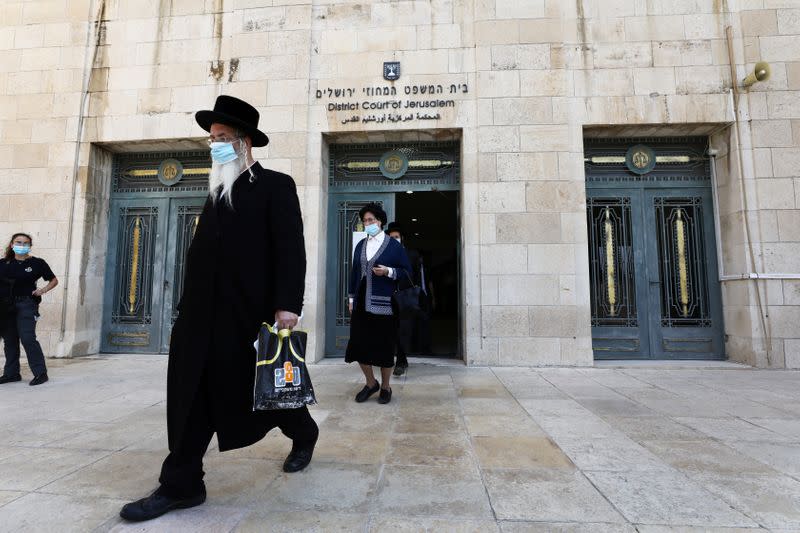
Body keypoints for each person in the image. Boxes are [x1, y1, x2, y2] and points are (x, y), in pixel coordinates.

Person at [120, 95, 319, 522]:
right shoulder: (216, 190)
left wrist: (287, 305)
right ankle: (182, 483)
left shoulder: (275, 186)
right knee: (191, 394)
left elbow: (291, 250)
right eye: (212, 138)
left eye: (223, 138)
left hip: (244, 317)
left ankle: (303, 431)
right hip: (198, 317)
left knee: (262, 390)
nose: (215, 145)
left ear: (245, 142)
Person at [345, 204, 411, 404]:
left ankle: (385, 387)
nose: (368, 224)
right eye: (365, 221)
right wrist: (351, 298)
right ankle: (370, 382)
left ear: (380, 221)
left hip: (385, 304)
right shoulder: (360, 246)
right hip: (361, 303)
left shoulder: (394, 246)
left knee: (384, 348)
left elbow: (407, 272)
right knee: (358, 345)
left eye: (371, 220)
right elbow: (355, 273)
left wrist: (389, 272)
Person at [0, 233, 58, 386]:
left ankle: (40, 373)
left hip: (27, 304)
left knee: (27, 338)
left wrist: (42, 290)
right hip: (5, 306)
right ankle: (11, 373)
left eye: (25, 243)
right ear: (12, 245)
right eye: (18, 242)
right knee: (10, 340)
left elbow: (54, 280)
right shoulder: (3, 263)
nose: (22, 245)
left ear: (30, 246)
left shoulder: (37, 263)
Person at [385, 222, 423, 377]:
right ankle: (392, 359)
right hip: (388, 298)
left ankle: (401, 361)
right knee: (390, 330)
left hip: (405, 297)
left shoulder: (411, 254)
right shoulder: (385, 255)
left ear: (401, 238)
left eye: (396, 237)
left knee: (403, 330)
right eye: (391, 237)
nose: (394, 239)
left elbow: (416, 277)